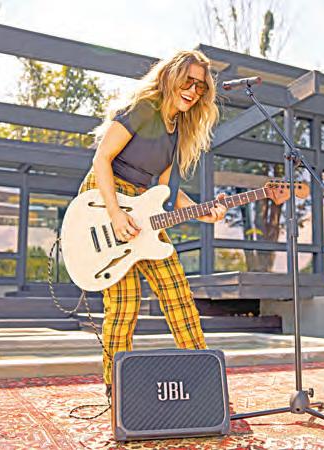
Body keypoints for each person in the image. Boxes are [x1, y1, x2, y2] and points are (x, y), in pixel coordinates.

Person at [79, 50, 227, 398]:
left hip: (141, 205)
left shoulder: (179, 130)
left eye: (201, 87)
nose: (193, 91)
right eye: (188, 81)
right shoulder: (144, 109)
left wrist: (202, 211)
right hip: (105, 199)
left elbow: (163, 189)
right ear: (171, 77)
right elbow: (102, 158)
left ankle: (205, 379)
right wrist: (115, 214)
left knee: (177, 292)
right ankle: (116, 387)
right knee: (124, 303)